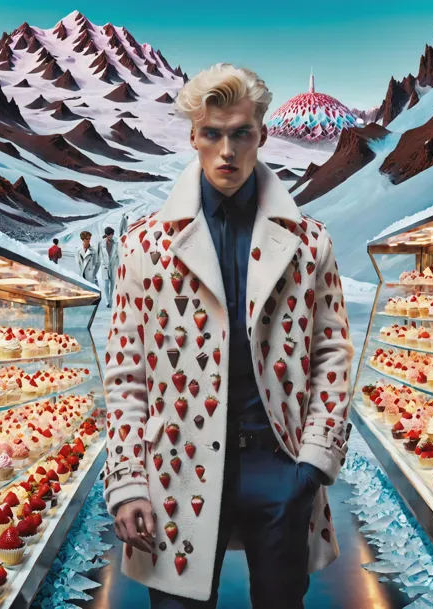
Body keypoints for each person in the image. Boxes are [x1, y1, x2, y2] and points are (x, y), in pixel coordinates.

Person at [103, 63, 354, 609]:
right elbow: (127, 373)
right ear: (193, 135)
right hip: (175, 468)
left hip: (279, 464)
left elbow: (331, 355)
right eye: (213, 133)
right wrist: (126, 481)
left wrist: (310, 466)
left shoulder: (311, 243)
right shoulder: (144, 247)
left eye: (241, 133)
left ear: (261, 134)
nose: (227, 151)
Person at [98, 227, 119, 308]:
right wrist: (103, 263)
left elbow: (118, 255)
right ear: (107, 235)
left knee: (113, 283)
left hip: (113, 266)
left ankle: (111, 299)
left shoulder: (116, 242)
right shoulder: (101, 244)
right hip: (105, 266)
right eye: (110, 234)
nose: (112, 236)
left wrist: (117, 264)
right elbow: (100, 256)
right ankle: (107, 300)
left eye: (112, 234)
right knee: (106, 284)